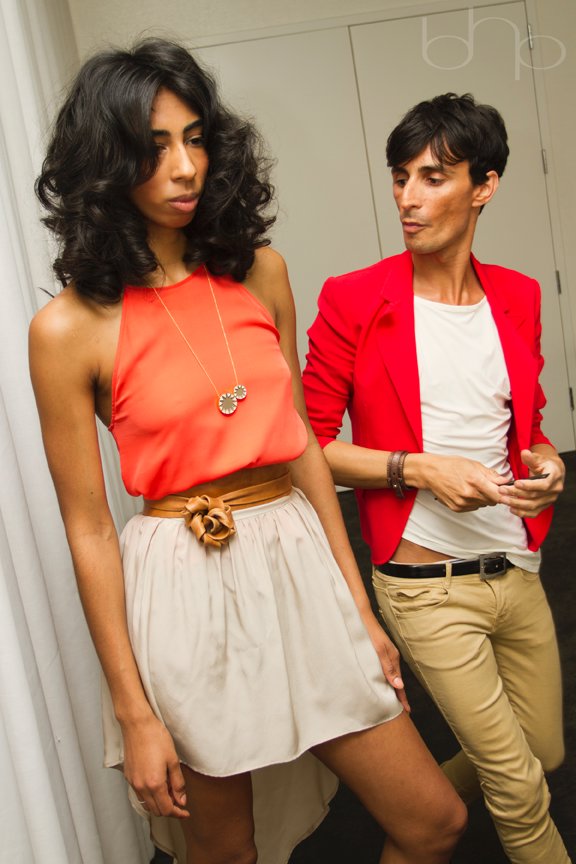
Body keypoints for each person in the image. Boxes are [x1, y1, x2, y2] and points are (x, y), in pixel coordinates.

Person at [29, 40, 466, 864]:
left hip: (297, 553)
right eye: (154, 147)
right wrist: (133, 711)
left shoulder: (260, 272)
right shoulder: (67, 329)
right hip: (182, 584)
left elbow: (300, 439)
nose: (186, 166)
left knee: (432, 822)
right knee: (227, 855)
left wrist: (359, 610)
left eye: (195, 138)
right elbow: (88, 528)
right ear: (104, 160)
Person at [303, 92, 571, 864]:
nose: (407, 199)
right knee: (521, 792)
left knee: (539, 755)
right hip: (426, 586)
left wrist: (546, 465)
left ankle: (413, 823)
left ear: (484, 185)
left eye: (432, 177)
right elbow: (306, 444)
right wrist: (414, 469)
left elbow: (526, 422)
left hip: (516, 568)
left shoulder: (516, 297)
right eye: (400, 178)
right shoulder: (355, 299)